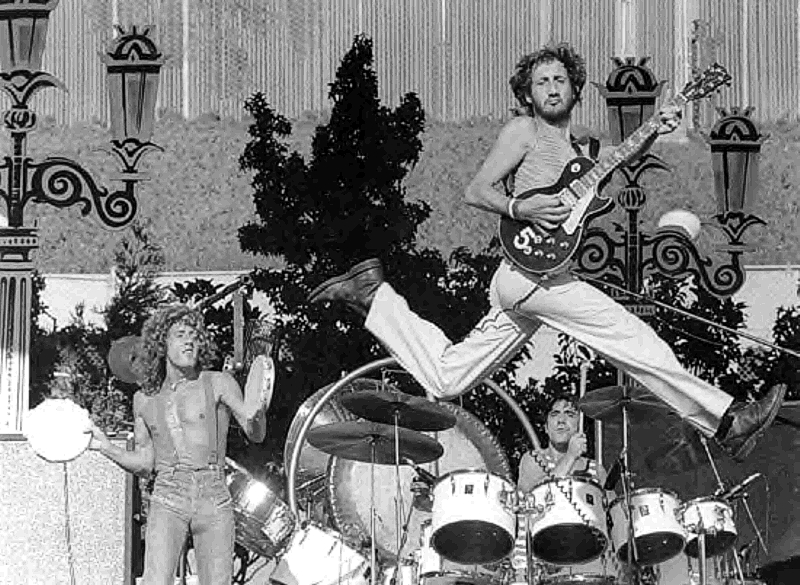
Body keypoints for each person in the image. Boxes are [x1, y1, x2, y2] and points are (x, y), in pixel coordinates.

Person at [307, 42, 785, 463]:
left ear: (575, 89)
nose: (552, 88)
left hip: (529, 280)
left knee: (448, 380)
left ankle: (373, 295)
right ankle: (728, 420)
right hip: (532, 274)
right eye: (542, 82)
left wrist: (657, 127)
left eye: (560, 80)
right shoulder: (524, 132)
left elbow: (619, 157)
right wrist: (522, 206)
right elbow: (476, 190)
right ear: (528, 94)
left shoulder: (584, 149)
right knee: (636, 341)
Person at [88, 304, 272, 585]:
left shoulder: (218, 382)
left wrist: (258, 409)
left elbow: (255, 433)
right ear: (162, 343)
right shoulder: (144, 400)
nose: (190, 341)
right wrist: (105, 447)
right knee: (155, 581)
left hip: (213, 495)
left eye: (194, 336)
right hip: (167, 495)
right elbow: (145, 464)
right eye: (181, 335)